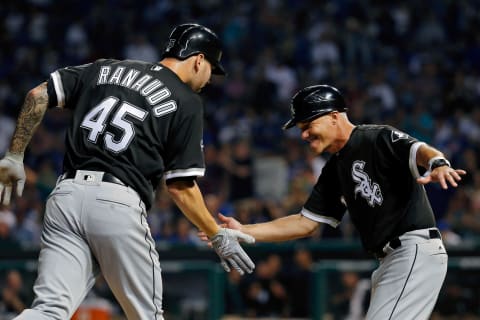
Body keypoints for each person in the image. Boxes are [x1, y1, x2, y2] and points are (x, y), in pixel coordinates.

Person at [0, 23, 255, 320]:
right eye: (212, 67)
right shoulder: (186, 101)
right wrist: (216, 234)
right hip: (117, 202)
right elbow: (180, 188)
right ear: (198, 60)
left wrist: (15, 155)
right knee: (148, 316)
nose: (211, 77)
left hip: (65, 197)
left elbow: (37, 95)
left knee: (48, 310)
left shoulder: (105, 68)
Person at [208, 84, 467, 319]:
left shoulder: (375, 137)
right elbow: (304, 223)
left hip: (413, 250)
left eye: (308, 125)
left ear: (334, 116)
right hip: (391, 260)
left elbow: (419, 149)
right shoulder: (334, 169)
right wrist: (245, 230)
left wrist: (437, 163)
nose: (304, 135)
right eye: (301, 129)